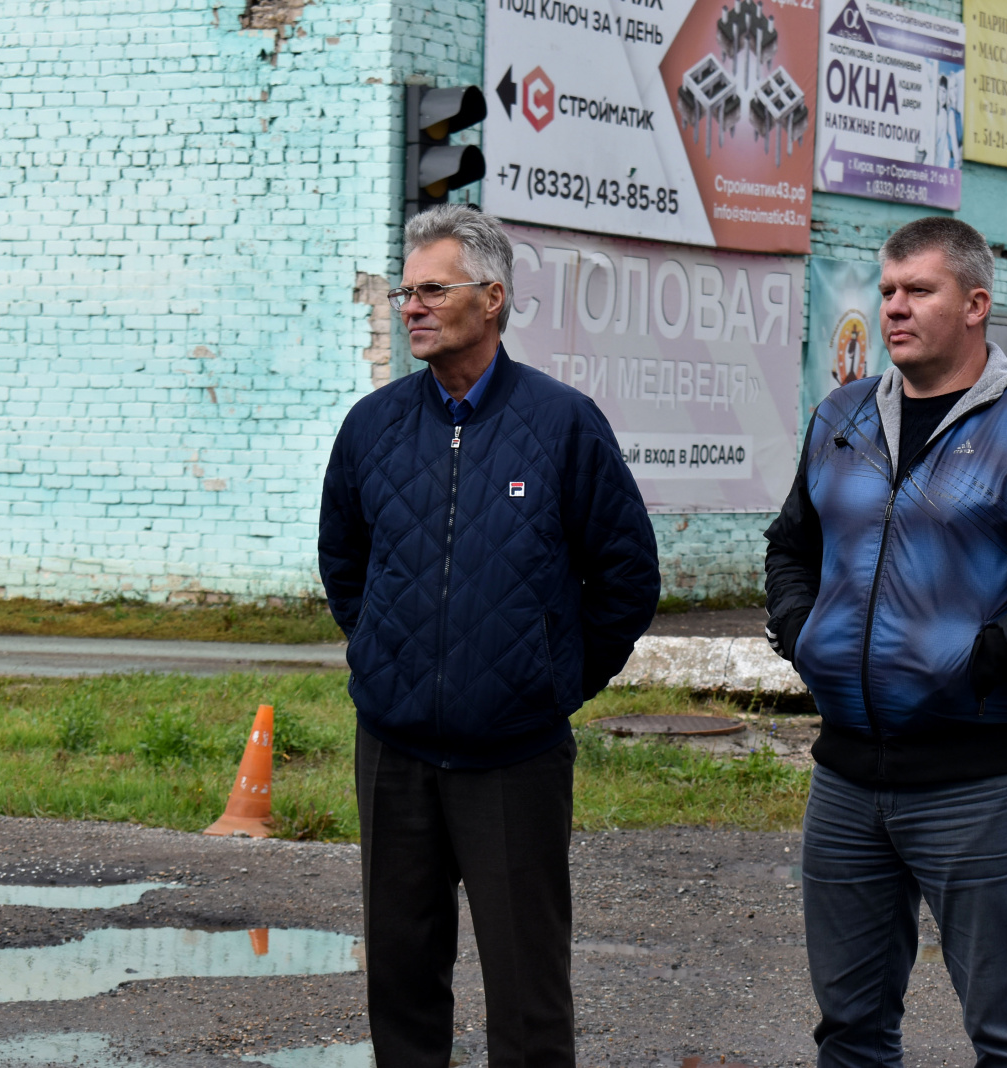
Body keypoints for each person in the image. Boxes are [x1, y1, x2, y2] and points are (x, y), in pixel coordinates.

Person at [764, 216, 1007, 1068]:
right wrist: (801, 631)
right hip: (846, 781)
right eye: (888, 292)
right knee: (851, 1031)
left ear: (975, 304)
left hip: (977, 782)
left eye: (918, 291)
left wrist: (993, 657)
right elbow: (792, 545)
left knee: (1006, 1035)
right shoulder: (841, 416)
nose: (895, 309)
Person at [318, 204, 660, 1068]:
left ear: (493, 298)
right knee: (399, 975)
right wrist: (382, 655)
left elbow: (626, 578)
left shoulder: (562, 424)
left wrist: (551, 679)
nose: (411, 307)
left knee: (526, 992)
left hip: (514, 757)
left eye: (434, 289)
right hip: (393, 751)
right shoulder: (373, 427)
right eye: (406, 291)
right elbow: (344, 559)